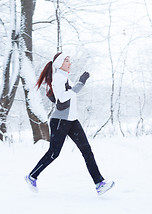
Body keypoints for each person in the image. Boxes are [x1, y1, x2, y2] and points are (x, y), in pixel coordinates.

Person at [24, 52, 114, 196]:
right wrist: (80, 84)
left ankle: (99, 183)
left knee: (87, 150)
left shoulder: (64, 78)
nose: (69, 63)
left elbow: (63, 97)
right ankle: (32, 176)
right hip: (60, 121)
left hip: (72, 120)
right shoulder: (58, 78)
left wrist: (74, 86)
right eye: (66, 60)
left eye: (69, 60)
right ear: (59, 63)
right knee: (54, 153)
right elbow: (62, 98)